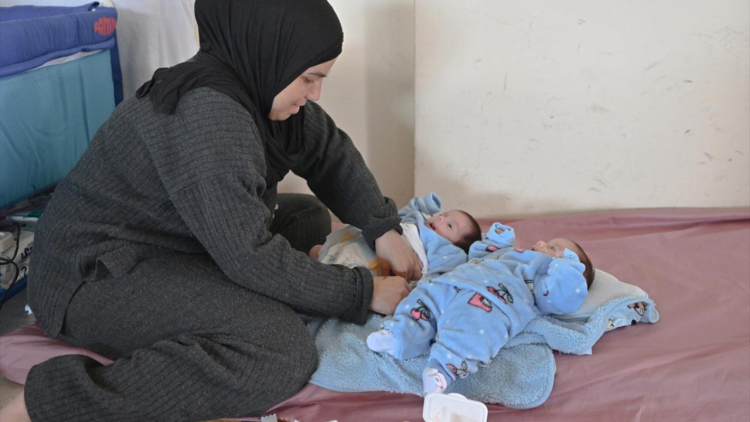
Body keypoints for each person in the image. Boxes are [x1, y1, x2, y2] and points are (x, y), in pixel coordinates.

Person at [0, 1, 419, 421]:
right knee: (280, 350)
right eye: (308, 79)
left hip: (174, 240)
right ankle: (46, 404)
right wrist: (360, 292)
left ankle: (264, 295)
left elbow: (329, 152)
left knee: (307, 215)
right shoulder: (210, 116)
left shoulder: (251, 83)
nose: (315, 94)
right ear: (268, 53)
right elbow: (249, 256)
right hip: (91, 274)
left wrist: (384, 229)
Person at [367, 222, 595, 394]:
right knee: (424, 298)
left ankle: (441, 370)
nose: (542, 243)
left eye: (552, 247)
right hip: (454, 281)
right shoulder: (515, 253)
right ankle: (400, 334)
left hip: (492, 302)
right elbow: (478, 256)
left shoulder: (546, 276)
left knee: (471, 331)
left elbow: (561, 298)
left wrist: (567, 271)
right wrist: (496, 241)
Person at [310, 192, 482, 278]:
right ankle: (325, 254)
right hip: (368, 237)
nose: (442, 219)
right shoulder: (420, 219)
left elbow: (448, 271)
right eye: (444, 214)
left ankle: (329, 271)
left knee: (352, 264)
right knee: (324, 246)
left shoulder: (444, 250)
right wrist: (427, 204)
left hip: (379, 261)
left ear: (455, 246)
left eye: (450, 225)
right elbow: (402, 214)